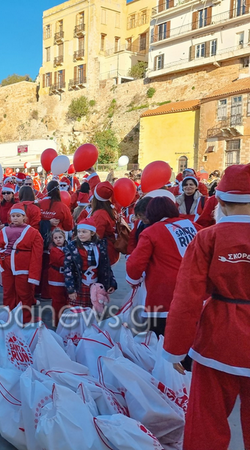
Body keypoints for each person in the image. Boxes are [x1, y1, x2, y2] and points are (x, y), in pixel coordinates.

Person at [163, 163, 250, 450]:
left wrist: (175, 348)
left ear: (220, 201)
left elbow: (187, 298)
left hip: (217, 340)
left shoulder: (207, 238)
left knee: (206, 420)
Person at [126, 196, 200, 335]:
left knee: (160, 339)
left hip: (164, 294)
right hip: (196, 290)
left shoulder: (152, 232)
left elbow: (135, 264)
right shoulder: (194, 226)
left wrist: (133, 280)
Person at [0, 203, 43, 323]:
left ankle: (25, 320)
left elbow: (37, 256)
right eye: (13, 216)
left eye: (18, 215)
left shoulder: (34, 233)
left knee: (24, 294)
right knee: (7, 293)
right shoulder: (5, 230)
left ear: (24, 217)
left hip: (23, 268)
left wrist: (34, 276)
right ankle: (8, 318)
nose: (15, 218)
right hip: (6, 267)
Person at [63, 217, 117, 308]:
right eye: (79, 231)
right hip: (79, 285)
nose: (80, 234)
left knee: (93, 311)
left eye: (84, 232)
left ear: (92, 233)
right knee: (78, 313)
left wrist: (111, 282)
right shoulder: (72, 247)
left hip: (95, 284)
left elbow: (106, 266)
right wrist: (71, 289)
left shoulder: (100, 246)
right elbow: (68, 269)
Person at [89, 181, 119, 265]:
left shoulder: (100, 214)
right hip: (110, 251)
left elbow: (96, 236)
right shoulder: (111, 209)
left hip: (103, 254)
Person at [47, 228, 69, 326]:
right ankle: (57, 322)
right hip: (56, 278)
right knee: (57, 301)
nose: (58, 240)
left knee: (66, 300)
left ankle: (65, 320)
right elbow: (62, 261)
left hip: (66, 277)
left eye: (60, 237)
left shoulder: (67, 248)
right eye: (56, 238)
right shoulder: (53, 250)